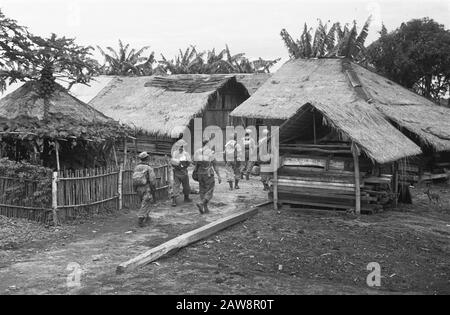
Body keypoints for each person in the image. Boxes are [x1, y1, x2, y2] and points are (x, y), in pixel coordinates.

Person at [193, 138, 222, 214]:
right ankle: (202, 203)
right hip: (208, 174)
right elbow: (215, 164)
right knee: (210, 190)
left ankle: (205, 208)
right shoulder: (210, 152)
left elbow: (194, 162)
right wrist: (219, 175)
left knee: (202, 190)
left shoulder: (197, 151)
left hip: (200, 173)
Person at [132, 152, 157, 227]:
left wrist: (135, 188)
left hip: (138, 188)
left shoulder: (136, 167)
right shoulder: (149, 168)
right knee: (146, 203)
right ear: (147, 158)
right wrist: (153, 188)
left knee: (144, 202)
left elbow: (134, 178)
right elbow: (152, 180)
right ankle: (140, 220)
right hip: (146, 188)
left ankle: (147, 216)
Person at [170, 139, 192, 207]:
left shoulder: (174, 153)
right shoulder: (186, 154)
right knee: (185, 185)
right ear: (182, 146)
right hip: (183, 171)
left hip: (176, 171)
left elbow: (173, 162)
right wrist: (183, 166)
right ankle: (186, 198)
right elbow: (188, 162)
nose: (181, 148)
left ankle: (174, 201)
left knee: (176, 185)